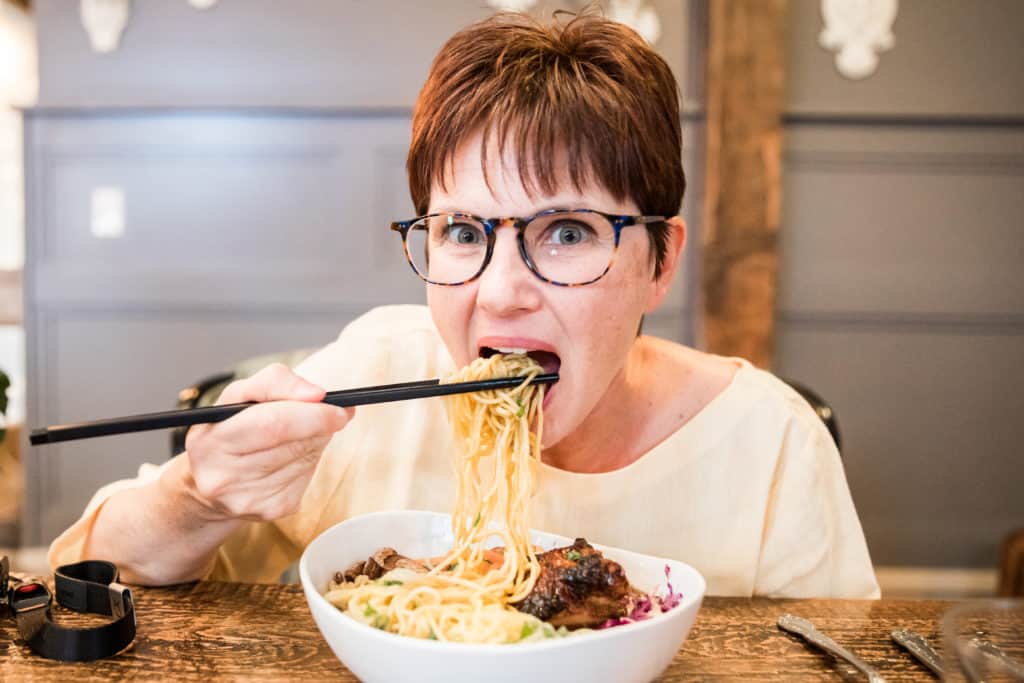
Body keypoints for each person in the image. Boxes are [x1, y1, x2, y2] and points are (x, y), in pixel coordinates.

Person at [48, 12, 879, 598]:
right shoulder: (371, 375)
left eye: (565, 232)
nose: (501, 290)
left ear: (659, 262)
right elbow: (80, 575)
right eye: (461, 231)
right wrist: (200, 493)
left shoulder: (773, 445)